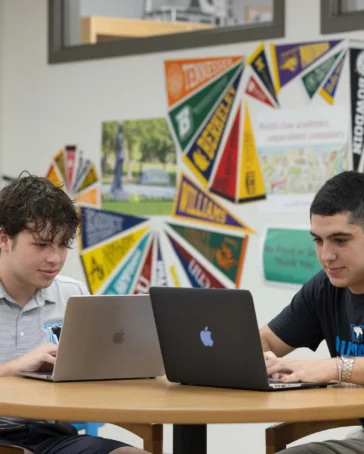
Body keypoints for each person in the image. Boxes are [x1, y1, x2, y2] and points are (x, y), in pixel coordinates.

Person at [0, 173, 149, 454]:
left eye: (63, 245)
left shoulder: (72, 294)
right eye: (42, 245)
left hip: (52, 436)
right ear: (4, 240)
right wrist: (14, 368)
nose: (54, 258)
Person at [260, 170, 364, 453]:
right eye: (318, 240)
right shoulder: (325, 287)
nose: (326, 256)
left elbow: (329, 369)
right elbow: (267, 341)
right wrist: (260, 358)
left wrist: (332, 368)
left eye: (340, 240)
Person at [110, 123, 125, 199]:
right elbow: (120, 145)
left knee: (119, 172)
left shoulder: (119, 135)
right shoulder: (119, 135)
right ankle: (117, 186)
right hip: (120, 155)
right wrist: (122, 154)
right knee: (118, 172)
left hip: (120, 155)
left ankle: (118, 185)